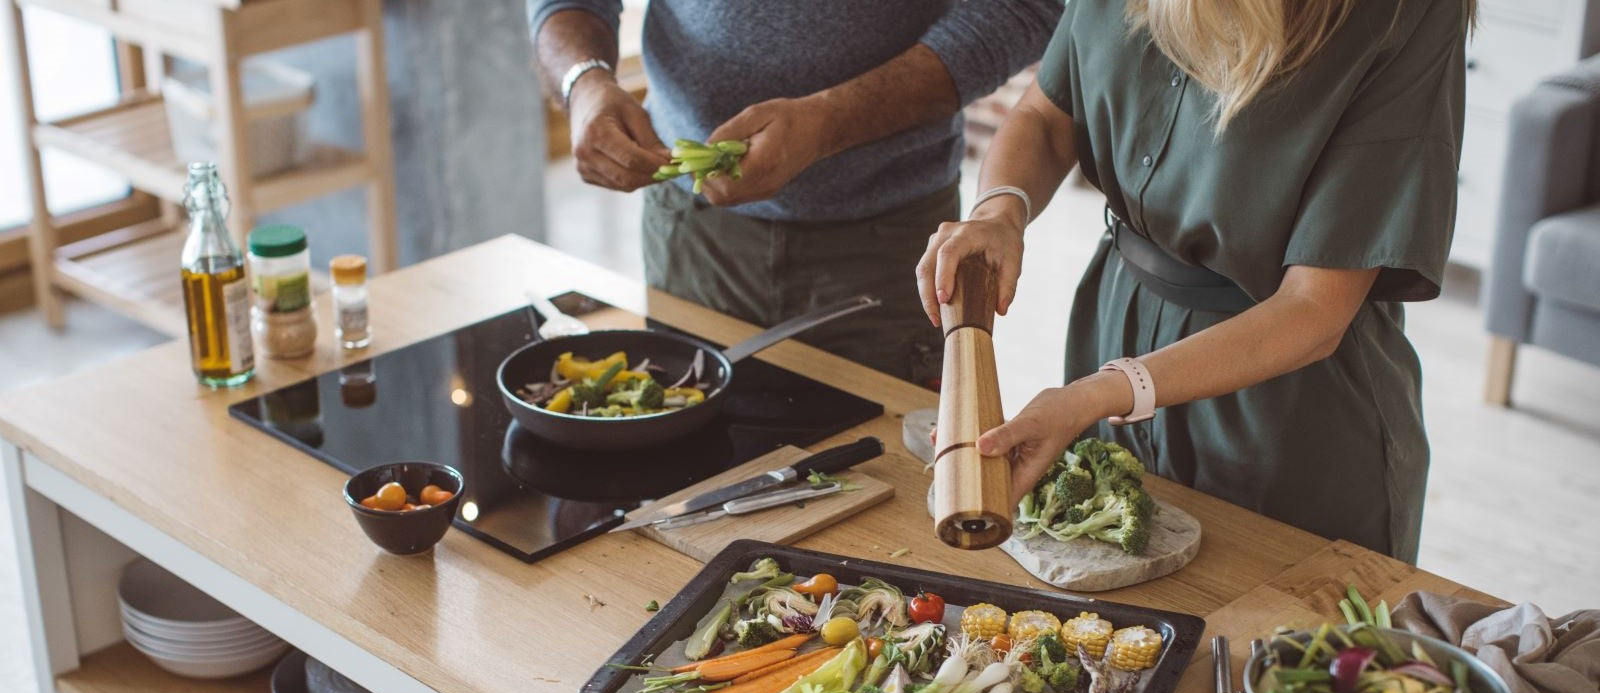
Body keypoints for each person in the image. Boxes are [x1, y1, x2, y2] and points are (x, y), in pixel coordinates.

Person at [918, 0, 1476, 563]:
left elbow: (1314, 309)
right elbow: (1045, 114)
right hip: (1115, 322)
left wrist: (1096, 395)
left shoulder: (1403, 13)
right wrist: (999, 211)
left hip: (1286, 402)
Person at [529, 0, 1062, 385]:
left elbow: (1023, 8)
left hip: (890, 245)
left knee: (887, 484)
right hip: (690, 233)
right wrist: (584, 80)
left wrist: (831, 121)